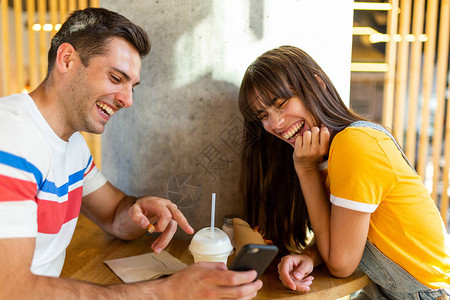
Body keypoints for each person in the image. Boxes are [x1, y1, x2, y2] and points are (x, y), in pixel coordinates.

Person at [0, 7, 262, 299]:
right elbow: (11, 288)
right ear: (67, 60)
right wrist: (163, 292)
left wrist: (139, 208)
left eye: (132, 87)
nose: (127, 100)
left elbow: (114, 216)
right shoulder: (10, 137)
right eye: (116, 78)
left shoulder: (72, 145)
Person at [238, 45, 450, 299]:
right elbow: (344, 234)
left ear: (318, 85)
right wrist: (310, 255)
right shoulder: (333, 153)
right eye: (264, 115)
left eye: (281, 103)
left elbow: (341, 264)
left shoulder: (355, 144)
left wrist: (305, 170)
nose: (275, 123)